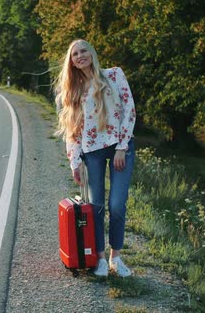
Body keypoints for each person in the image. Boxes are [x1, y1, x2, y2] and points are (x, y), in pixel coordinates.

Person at [55, 39, 136, 277]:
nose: (80, 56)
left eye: (83, 51)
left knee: (117, 205)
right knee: (96, 206)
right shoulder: (72, 90)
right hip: (92, 151)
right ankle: (99, 258)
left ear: (92, 53)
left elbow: (129, 109)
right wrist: (75, 161)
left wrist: (122, 146)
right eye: (75, 54)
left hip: (121, 147)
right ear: (71, 61)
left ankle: (116, 259)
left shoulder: (114, 75)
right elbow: (72, 130)